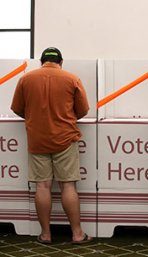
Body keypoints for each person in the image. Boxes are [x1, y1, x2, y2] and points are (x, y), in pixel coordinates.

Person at [11, 47, 93, 245]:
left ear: (41, 62)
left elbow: (17, 108)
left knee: (42, 185)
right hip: (65, 138)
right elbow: (82, 110)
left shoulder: (25, 79)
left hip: (37, 139)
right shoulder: (72, 79)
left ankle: (46, 234)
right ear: (61, 62)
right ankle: (77, 234)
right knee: (68, 185)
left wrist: (34, 119)